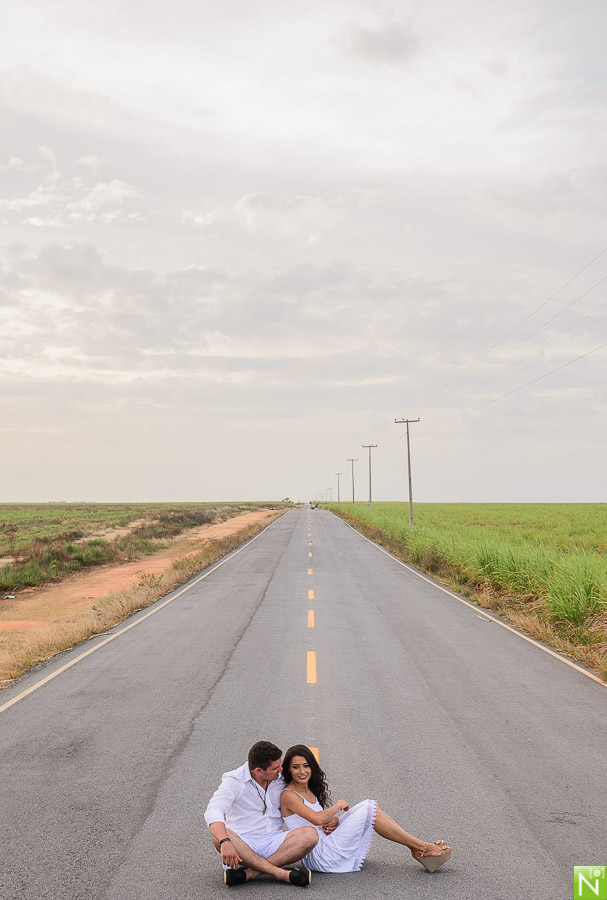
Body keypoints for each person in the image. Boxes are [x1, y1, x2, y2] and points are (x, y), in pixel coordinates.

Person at [280, 744, 452, 874]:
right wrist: (338, 806)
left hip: (324, 841)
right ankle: (419, 848)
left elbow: (316, 820)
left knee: (371, 808)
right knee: (367, 807)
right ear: (288, 768)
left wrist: (333, 820)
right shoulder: (289, 795)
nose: (302, 771)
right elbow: (317, 819)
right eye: (296, 767)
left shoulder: (307, 788)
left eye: (306, 765)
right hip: (319, 855)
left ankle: (417, 847)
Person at [204, 740, 318, 887]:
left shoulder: (280, 777)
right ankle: (280, 873)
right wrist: (225, 842)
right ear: (258, 771)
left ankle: (250, 873)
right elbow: (213, 810)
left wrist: (326, 819)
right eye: (275, 768)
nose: (281, 770)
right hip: (243, 845)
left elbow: (307, 793)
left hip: (274, 842)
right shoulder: (234, 781)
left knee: (310, 835)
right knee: (218, 836)